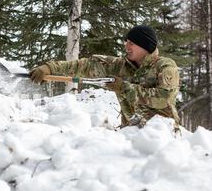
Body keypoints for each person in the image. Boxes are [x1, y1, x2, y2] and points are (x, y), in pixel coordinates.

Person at [30, 25, 180, 129]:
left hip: (161, 137)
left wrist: (123, 87)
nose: (126, 47)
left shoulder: (165, 66)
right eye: (126, 42)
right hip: (130, 135)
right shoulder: (120, 66)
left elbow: (164, 98)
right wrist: (50, 68)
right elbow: (85, 65)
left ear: (145, 46)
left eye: (131, 43)